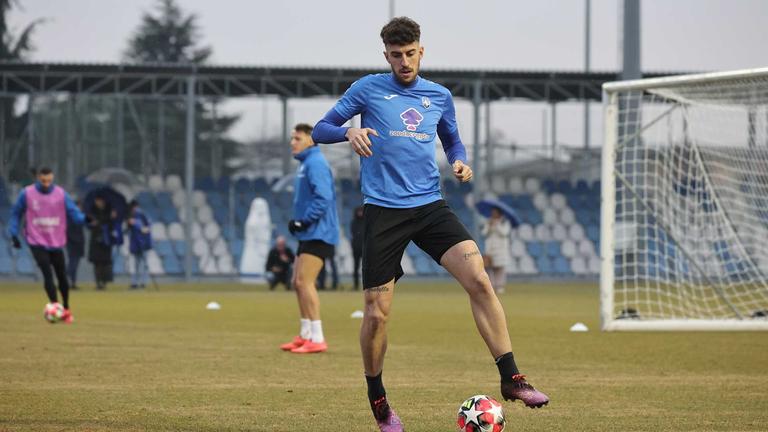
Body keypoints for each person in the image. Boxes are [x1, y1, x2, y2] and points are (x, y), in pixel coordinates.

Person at [312, 17, 548, 431]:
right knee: (377, 314)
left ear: (422, 50)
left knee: (478, 278)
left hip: (430, 206)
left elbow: (452, 139)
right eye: (396, 55)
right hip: (384, 210)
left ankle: (511, 377)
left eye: (410, 53)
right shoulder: (367, 88)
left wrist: (459, 160)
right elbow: (320, 128)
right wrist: (348, 134)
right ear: (385, 55)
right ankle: (379, 400)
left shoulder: (438, 95)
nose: (404, 61)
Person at [280, 123, 339, 354]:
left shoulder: (315, 163)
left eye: (297, 138)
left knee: (305, 282)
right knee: (297, 283)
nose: (292, 142)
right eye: (292, 138)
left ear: (311, 140)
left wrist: (304, 220)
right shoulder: (306, 163)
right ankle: (305, 335)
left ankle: (317, 337)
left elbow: (323, 198)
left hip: (320, 232)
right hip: (310, 231)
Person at [7, 166, 86, 323]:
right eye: (43, 181)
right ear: (38, 178)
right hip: (36, 240)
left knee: (62, 276)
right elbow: (16, 214)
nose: (46, 184)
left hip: (56, 241)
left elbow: (74, 213)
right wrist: (14, 234)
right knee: (46, 271)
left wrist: (86, 219)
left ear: (53, 178)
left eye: (49, 181)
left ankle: (66, 308)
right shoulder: (27, 193)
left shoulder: (60, 194)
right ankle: (55, 308)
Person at [88, 195, 115, 290]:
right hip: (95, 240)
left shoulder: (109, 211)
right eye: (98, 201)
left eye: (101, 201)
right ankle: (98, 282)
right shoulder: (91, 212)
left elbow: (111, 226)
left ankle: (104, 282)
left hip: (106, 241)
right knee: (97, 263)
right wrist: (91, 223)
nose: (100, 202)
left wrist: (111, 218)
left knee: (105, 263)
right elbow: (88, 224)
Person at [482, 207, 511, 294]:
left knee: (500, 269)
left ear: (499, 213)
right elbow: (484, 233)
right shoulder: (488, 221)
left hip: (501, 250)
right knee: (489, 268)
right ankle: (491, 287)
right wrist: (489, 226)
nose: (493, 214)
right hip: (490, 249)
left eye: (495, 212)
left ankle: (500, 287)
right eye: (492, 212)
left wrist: (497, 224)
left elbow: (504, 233)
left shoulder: (504, 222)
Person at [126, 200, 152, 289]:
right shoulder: (130, 217)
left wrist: (137, 225)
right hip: (135, 243)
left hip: (144, 243)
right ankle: (135, 282)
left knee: (143, 264)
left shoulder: (143, 216)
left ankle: (143, 282)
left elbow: (147, 229)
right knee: (136, 264)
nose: (134, 210)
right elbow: (128, 230)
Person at [66, 198, 86, 290]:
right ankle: (66, 281)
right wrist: (75, 240)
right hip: (72, 244)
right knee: (72, 264)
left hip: (78, 244)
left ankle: (72, 283)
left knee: (75, 264)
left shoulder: (80, 218)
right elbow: (68, 232)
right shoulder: (70, 218)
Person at [350, 206, 364, 290]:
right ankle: (356, 286)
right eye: (358, 211)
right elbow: (353, 234)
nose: (360, 213)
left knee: (366, 268)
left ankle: (367, 285)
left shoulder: (366, 222)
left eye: (361, 211)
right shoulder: (353, 222)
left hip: (365, 248)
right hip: (356, 248)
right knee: (355, 267)